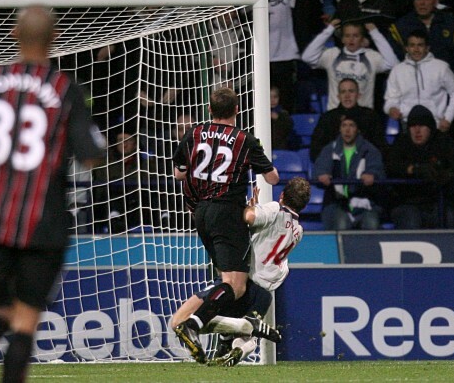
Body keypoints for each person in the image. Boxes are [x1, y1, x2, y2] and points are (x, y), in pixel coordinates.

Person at [0, 5, 105, 383]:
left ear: (14, 35)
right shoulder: (65, 87)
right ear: (55, 40)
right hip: (44, 221)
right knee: (25, 321)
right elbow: (92, 157)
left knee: (3, 311)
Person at [171, 87, 280, 363]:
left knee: (228, 281)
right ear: (236, 110)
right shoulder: (245, 139)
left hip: (200, 213)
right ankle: (193, 325)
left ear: (209, 110)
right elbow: (272, 178)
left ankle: (226, 334)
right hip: (228, 212)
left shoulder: (194, 133)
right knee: (235, 284)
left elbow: (178, 173)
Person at [171, 178, 311, 366]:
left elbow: (249, 218)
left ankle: (244, 326)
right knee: (242, 337)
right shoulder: (298, 231)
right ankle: (240, 343)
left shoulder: (275, 209)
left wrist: (250, 209)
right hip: (264, 292)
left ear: (282, 195)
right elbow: (268, 236)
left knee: (180, 321)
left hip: (245, 281)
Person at [386, 105, 454, 229]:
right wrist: (413, 169)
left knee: (449, 217)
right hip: (407, 203)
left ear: (430, 128)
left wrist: (447, 173)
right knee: (412, 219)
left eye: (422, 126)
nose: (417, 130)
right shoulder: (402, 143)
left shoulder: (442, 142)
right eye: (413, 126)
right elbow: (390, 165)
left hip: (437, 201)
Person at [302, 20, 399, 110]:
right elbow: (307, 57)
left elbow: (394, 64)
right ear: (342, 39)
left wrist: (375, 33)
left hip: (363, 115)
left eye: (355, 36)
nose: (351, 39)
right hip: (336, 114)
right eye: (347, 36)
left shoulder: (371, 57)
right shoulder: (332, 55)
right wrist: (329, 30)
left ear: (362, 39)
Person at [313, 113, 386, 230]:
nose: (347, 129)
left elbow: (377, 170)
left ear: (358, 129)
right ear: (340, 129)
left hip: (365, 203)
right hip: (335, 203)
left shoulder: (370, 150)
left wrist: (373, 175)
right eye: (344, 125)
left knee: (371, 222)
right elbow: (320, 169)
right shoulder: (329, 149)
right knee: (341, 222)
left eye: (351, 125)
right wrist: (322, 175)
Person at [384, 29, 454, 133]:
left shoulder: (441, 67)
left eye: (420, 45)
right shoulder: (397, 70)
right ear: (406, 48)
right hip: (408, 126)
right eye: (412, 45)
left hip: (436, 125)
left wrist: (448, 118)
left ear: (427, 48)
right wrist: (391, 108)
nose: (416, 49)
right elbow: (391, 99)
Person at [388, 0, 454, 77]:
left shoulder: (452, 24)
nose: (422, 3)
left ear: (435, 1)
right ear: (413, 1)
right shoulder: (400, 27)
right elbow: (397, 62)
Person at [310, 78, 386, 161]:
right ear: (338, 96)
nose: (347, 96)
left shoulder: (370, 116)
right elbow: (315, 150)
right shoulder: (328, 118)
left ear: (358, 95)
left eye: (351, 91)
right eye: (343, 92)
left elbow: (380, 147)